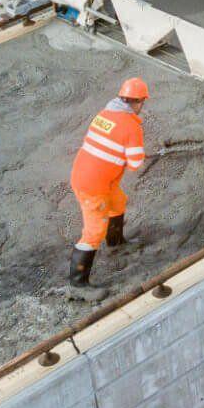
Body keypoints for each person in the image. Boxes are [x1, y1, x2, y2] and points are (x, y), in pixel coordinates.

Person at [67, 77, 150, 300]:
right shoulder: (132, 126)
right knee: (93, 231)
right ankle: (77, 284)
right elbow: (135, 164)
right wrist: (135, 154)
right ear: (139, 102)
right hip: (94, 185)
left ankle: (116, 243)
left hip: (87, 175)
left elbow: (109, 144)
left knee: (118, 202)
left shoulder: (104, 115)